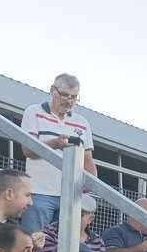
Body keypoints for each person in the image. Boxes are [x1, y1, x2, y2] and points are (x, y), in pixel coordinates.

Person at [19, 73, 97, 233]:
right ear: (52, 90)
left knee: (62, 249)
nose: (69, 100)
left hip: (70, 196)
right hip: (38, 192)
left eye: (74, 97)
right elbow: (27, 150)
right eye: (65, 95)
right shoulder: (33, 112)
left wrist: (91, 184)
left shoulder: (82, 123)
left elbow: (87, 159)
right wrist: (55, 144)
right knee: (34, 243)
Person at [35, 194, 106, 252]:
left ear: (90, 219)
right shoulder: (48, 234)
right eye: (69, 210)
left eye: (80, 214)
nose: (72, 216)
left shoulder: (97, 240)